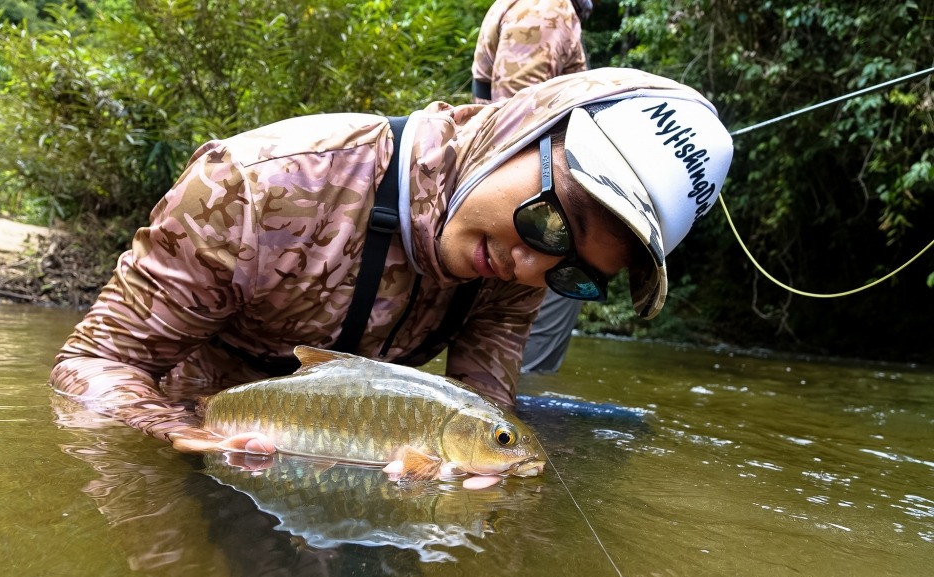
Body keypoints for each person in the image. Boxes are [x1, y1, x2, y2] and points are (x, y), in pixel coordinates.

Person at [49, 67, 734, 455]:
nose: (533, 270)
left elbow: (483, 405)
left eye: (576, 273)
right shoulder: (258, 185)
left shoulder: (525, 267)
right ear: (522, 130)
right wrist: (182, 434)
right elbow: (92, 365)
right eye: (555, 221)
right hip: (196, 434)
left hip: (353, 450)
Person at [471, 0, 594, 372]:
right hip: (533, 216)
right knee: (524, 368)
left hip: (522, 208)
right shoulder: (547, 7)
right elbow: (517, 125)